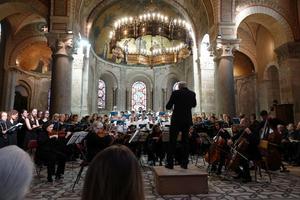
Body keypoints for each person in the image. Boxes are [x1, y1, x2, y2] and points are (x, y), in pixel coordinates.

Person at [165, 81, 196, 169]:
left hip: (176, 120)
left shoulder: (176, 93)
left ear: (179, 87)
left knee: (172, 141)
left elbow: (168, 106)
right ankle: (184, 163)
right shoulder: (192, 94)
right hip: (187, 120)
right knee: (185, 141)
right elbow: (194, 105)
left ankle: (170, 163)